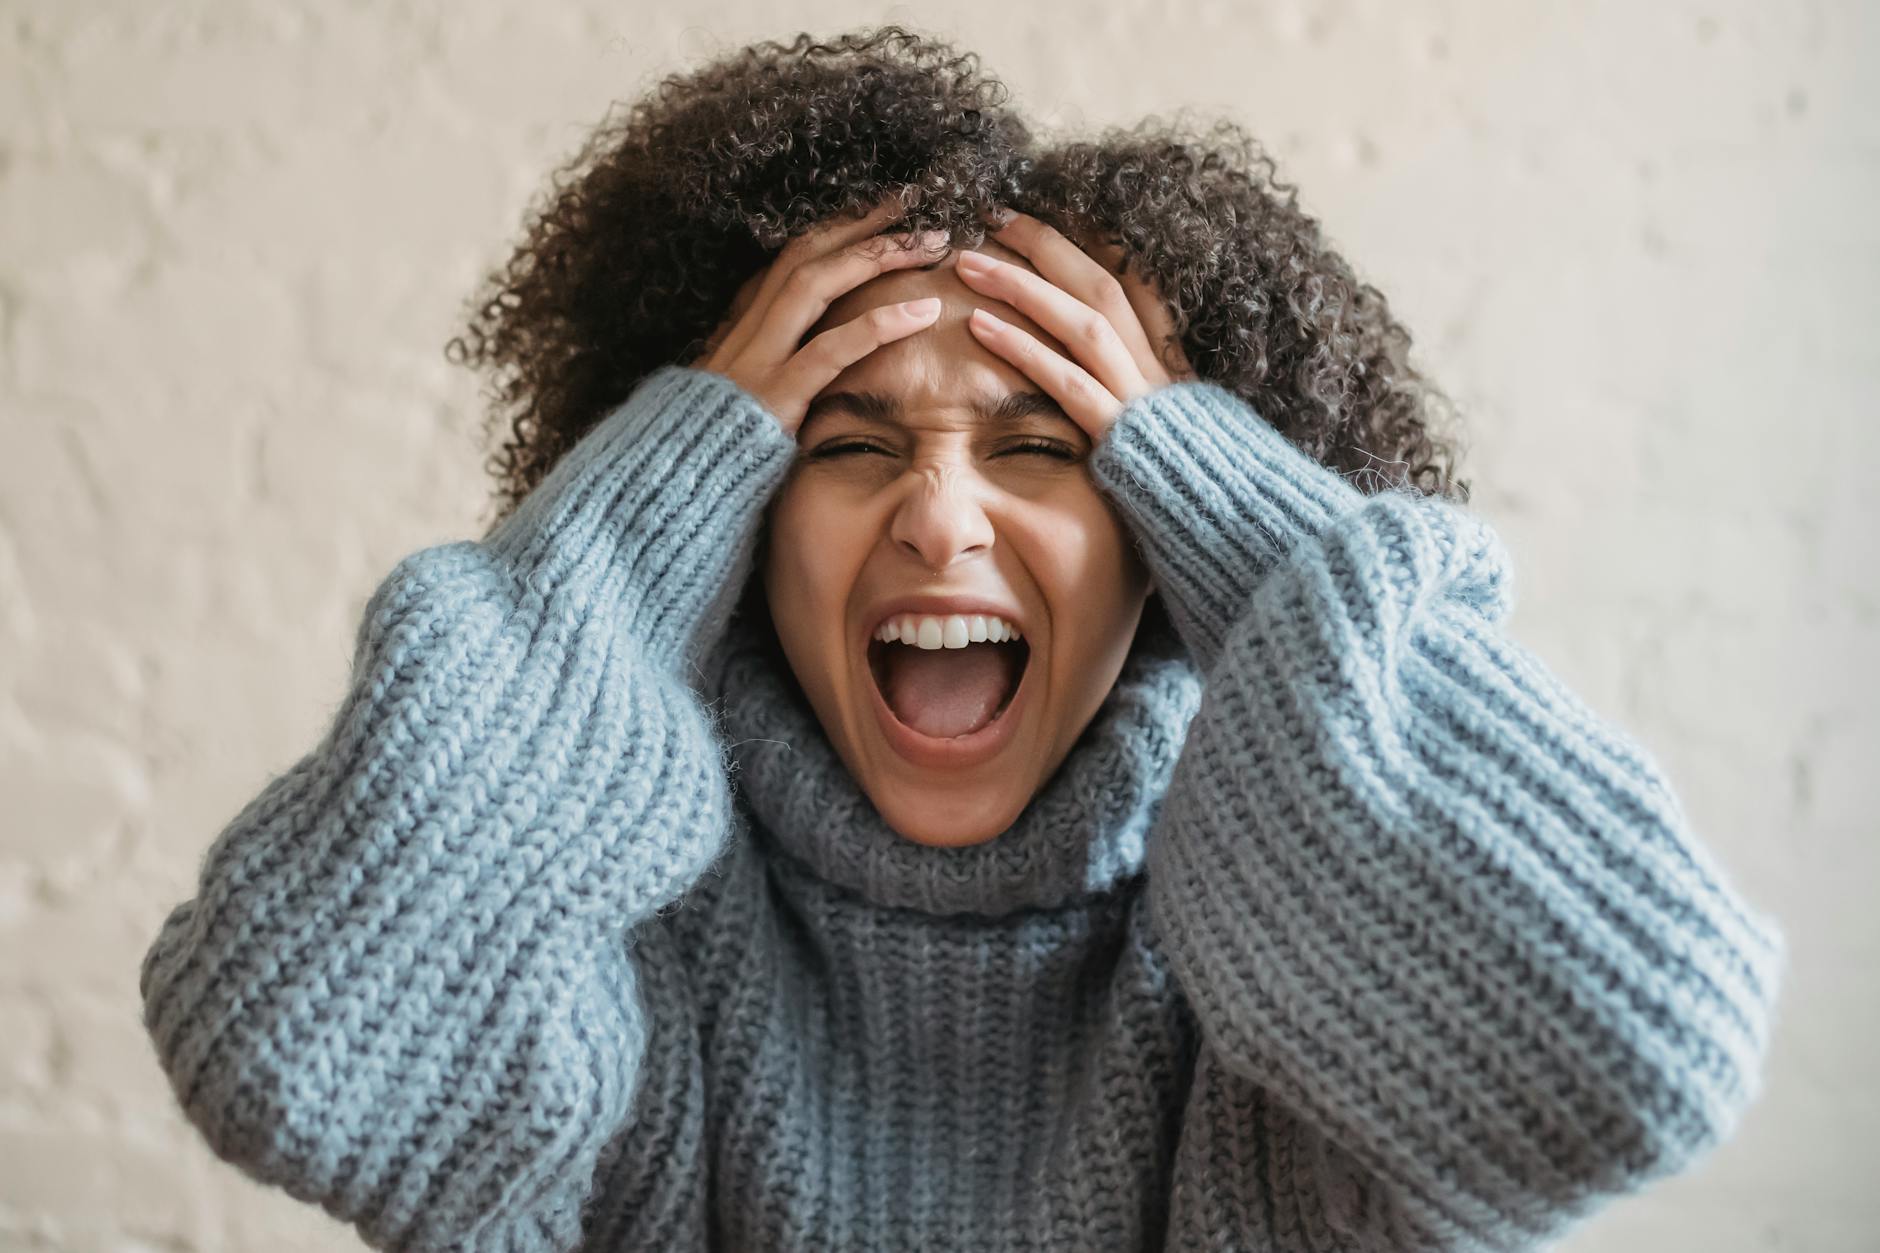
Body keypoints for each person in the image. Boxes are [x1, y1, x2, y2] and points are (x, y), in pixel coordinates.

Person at [138, 25, 1786, 1252]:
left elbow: (1641, 1044)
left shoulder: (1297, 970)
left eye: (1046, 448)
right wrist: (642, 521)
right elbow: (287, 1039)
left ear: (1165, 529)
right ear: (738, 522)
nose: (939, 518)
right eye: (843, 445)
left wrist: (1245, 517)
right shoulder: (620, 946)